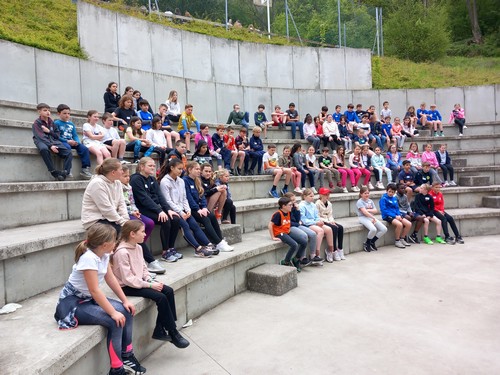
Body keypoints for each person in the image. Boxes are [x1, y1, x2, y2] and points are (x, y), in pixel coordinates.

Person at [54, 223, 146, 375]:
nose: (117, 243)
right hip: (73, 303)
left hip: (89, 299)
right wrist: (113, 312)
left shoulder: (104, 254)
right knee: (115, 321)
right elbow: (95, 290)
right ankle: (116, 369)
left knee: (126, 311)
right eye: (115, 240)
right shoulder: (88, 258)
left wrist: (124, 301)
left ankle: (127, 355)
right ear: (104, 244)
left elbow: (111, 279)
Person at [111, 220, 190, 348]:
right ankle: (173, 332)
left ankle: (160, 329)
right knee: (161, 297)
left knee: (168, 291)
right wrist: (149, 285)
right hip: (127, 287)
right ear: (132, 234)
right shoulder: (122, 252)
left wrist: (149, 280)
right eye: (142, 231)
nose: (145, 234)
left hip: (139, 282)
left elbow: (143, 268)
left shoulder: (138, 247)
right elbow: (127, 279)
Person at [159, 159, 216, 257]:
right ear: (172, 168)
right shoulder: (165, 181)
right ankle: (198, 249)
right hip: (173, 211)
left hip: (184, 210)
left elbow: (184, 198)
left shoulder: (181, 181)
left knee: (194, 225)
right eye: (179, 169)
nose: (181, 171)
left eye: (182, 169)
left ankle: (208, 244)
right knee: (185, 226)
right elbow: (168, 201)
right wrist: (181, 212)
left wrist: (188, 210)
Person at [130, 157, 182, 262]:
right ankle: (165, 251)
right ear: (141, 166)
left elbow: (160, 196)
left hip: (155, 207)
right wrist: (160, 211)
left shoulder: (152, 179)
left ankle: (171, 248)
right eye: (150, 165)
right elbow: (144, 199)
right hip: (143, 209)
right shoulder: (136, 179)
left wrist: (168, 209)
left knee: (175, 218)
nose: (153, 167)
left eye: (154, 165)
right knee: (165, 220)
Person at [118, 164, 165, 274]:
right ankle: (148, 258)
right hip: (123, 213)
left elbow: (132, 201)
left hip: (131, 211)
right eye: (125, 176)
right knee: (136, 228)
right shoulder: (117, 187)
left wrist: (135, 210)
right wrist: (131, 211)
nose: (128, 178)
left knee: (149, 223)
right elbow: (121, 205)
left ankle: (138, 244)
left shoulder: (129, 187)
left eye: (128, 176)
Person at [184, 161, 234, 252]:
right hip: (191, 209)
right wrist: (198, 209)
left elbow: (202, 195)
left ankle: (220, 241)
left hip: (200, 208)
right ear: (190, 170)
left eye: (199, 169)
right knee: (206, 218)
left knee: (211, 216)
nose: (199, 171)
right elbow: (188, 198)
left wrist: (204, 207)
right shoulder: (185, 181)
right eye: (197, 169)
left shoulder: (197, 180)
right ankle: (218, 242)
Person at [81, 158, 129, 231]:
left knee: (134, 229)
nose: (122, 172)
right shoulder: (97, 183)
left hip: (109, 218)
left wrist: (126, 220)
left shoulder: (117, 183)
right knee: (124, 232)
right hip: (95, 220)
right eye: (121, 169)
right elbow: (106, 209)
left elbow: (121, 203)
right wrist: (123, 222)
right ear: (113, 172)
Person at [32, 103, 73, 181]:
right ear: (39, 112)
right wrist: (50, 146)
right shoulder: (36, 123)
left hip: (53, 140)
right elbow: (41, 137)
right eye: (45, 110)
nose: (48, 112)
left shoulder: (52, 122)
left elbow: (57, 135)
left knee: (68, 152)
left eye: (49, 110)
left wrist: (49, 131)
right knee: (44, 149)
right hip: (41, 141)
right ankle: (53, 171)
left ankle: (65, 172)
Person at [269, 197, 308, 272]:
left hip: (287, 231)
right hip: (280, 233)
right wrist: (273, 237)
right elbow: (270, 225)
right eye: (290, 205)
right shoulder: (278, 214)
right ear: (283, 206)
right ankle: (285, 261)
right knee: (294, 245)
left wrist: (297, 210)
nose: (291, 206)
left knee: (304, 242)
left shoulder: (289, 212)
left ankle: (296, 259)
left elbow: (297, 219)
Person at [54, 103, 92, 179]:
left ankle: (85, 169)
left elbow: (74, 135)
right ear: (58, 113)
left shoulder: (71, 124)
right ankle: (67, 171)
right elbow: (57, 136)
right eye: (64, 113)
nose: (67, 115)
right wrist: (67, 141)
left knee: (84, 149)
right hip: (63, 142)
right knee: (67, 149)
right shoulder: (56, 123)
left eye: (68, 113)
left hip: (72, 141)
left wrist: (77, 141)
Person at [300, 188, 333, 263]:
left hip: (314, 222)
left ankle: (331, 251)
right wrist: (315, 222)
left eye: (313, 196)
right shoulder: (301, 205)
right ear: (304, 196)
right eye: (310, 196)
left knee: (329, 229)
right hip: (307, 224)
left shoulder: (312, 205)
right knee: (320, 231)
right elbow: (304, 220)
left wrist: (319, 221)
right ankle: (315, 254)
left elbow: (316, 216)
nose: (312, 198)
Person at [316, 188, 346, 262]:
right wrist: (328, 222)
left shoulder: (329, 203)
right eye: (325, 195)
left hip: (329, 220)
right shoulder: (317, 203)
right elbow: (317, 216)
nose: (327, 196)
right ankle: (333, 250)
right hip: (322, 220)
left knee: (340, 227)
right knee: (334, 228)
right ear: (321, 195)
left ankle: (340, 248)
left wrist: (332, 221)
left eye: (328, 194)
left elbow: (330, 214)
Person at [379, 183, 412, 249]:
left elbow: (397, 208)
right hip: (387, 216)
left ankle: (402, 238)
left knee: (408, 224)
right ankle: (397, 241)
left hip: (396, 215)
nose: (391, 193)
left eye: (393, 192)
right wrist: (395, 216)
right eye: (389, 191)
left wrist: (399, 215)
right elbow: (384, 210)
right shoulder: (383, 199)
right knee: (400, 224)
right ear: (386, 190)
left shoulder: (394, 198)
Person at [357, 186, 387, 252]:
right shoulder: (360, 202)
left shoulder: (370, 201)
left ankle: (372, 242)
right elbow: (364, 213)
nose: (367, 195)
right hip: (363, 218)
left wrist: (368, 210)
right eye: (365, 193)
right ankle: (367, 243)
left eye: (368, 193)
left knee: (384, 229)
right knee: (373, 229)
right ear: (361, 194)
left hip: (370, 217)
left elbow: (376, 210)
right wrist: (373, 217)